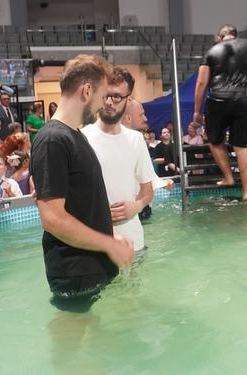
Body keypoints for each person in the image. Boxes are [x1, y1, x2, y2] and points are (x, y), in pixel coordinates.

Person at [30, 54, 134, 311]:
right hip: (74, 272)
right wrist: (109, 244)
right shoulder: (53, 140)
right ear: (86, 91)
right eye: (101, 97)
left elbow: (83, 204)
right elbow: (52, 219)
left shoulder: (75, 136)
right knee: (71, 348)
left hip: (91, 268)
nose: (103, 105)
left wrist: (113, 235)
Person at [193, 24, 247, 201]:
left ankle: (228, 177)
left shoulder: (211, 52)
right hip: (245, 99)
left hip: (217, 100)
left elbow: (201, 83)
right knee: (243, 145)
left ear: (219, 38)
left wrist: (197, 112)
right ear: (236, 36)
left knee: (215, 140)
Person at [82, 66, 155, 252]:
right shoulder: (82, 138)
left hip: (134, 240)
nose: (108, 102)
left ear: (128, 99)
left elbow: (148, 192)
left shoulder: (136, 140)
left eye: (116, 97)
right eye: (105, 95)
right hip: (97, 243)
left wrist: (136, 206)